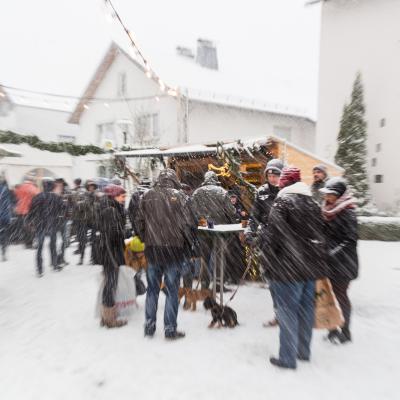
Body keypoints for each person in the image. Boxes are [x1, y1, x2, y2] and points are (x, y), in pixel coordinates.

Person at [263, 167, 327, 369]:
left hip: (287, 268)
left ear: (285, 184)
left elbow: (273, 236)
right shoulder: (313, 204)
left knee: (287, 312)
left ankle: (287, 358)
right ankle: (303, 351)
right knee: (306, 311)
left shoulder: (283, 203)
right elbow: (321, 237)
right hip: (310, 269)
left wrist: (267, 257)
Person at [135, 169, 193, 340]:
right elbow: (188, 224)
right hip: (174, 251)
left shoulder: (147, 195)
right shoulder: (181, 196)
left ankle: (149, 326)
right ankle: (169, 329)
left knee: (152, 289)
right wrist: (186, 245)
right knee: (172, 290)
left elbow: (138, 221)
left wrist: (146, 237)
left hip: (153, 250)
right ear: (174, 180)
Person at [245, 158, 283, 327]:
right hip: (267, 241)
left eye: (276, 174)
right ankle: (278, 314)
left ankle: (287, 314)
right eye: (269, 174)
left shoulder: (286, 191)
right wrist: (249, 231)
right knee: (272, 281)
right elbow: (254, 216)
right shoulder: (262, 192)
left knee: (284, 281)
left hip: (285, 243)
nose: (272, 178)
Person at [320, 177, 358, 344]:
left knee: (341, 296)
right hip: (329, 263)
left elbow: (350, 240)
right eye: (326, 194)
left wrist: (331, 252)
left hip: (344, 264)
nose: (326, 197)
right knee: (328, 297)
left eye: (330, 194)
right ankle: (332, 327)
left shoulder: (348, 212)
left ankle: (346, 331)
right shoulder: (328, 210)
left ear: (339, 195)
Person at [191, 171, 236, 289]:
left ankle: (204, 284)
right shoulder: (222, 192)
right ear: (216, 180)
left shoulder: (197, 193)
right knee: (219, 257)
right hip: (219, 230)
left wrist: (200, 221)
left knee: (204, 258)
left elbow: (192, 211)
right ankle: (218, 283)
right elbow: (231, 211)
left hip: (203, 229)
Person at [97, 184, 128, 328]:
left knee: (109, 284)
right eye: (122, 196)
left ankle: (106, 316)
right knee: (111, 285)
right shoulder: (111, 211)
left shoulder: (109, 208)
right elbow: (111, 236)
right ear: (114, 196)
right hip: (111, 254)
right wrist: (113, 258)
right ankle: (110, 319)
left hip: (108, 253)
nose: (124, 199)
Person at [27, 178, 64, 276]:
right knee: (53, 245)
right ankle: (55, 264)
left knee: (40, 247)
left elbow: (31, 211)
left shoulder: (38, 197)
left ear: (43, 186)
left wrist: (30, 221)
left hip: (40, 224)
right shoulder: (56, 198)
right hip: (53, 224)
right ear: (52, 187)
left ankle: (39, 269)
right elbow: (64, 209)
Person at [14, 175, 39, 248]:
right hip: (30, 210)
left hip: (20, 210)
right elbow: (39, 198)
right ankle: (29, 243)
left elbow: (15, 197)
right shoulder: (33, 188)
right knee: (31, 227)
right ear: (31, 180)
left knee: (24, 227)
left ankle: (26, 242)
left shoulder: (20, 188)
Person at [0, 175, 12, 261]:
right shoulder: (6, 190)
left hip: (3, 215)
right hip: (4, 216)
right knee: (4, 234)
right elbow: (9, 204)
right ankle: (3, 252)